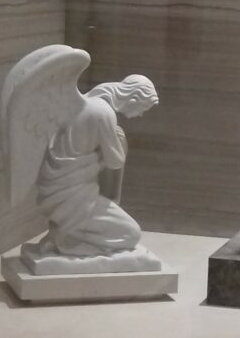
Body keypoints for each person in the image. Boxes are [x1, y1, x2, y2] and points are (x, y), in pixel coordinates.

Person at [34, 74, 158, 258]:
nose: (140, 115)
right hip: (74, 196)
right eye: (142, 110)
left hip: (61, 190)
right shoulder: (103, 112)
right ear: (133, 100)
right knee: (131, 234)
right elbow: (115, 161)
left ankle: (65, 232)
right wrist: (120, 140)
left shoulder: (87, 102)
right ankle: (65, 239)